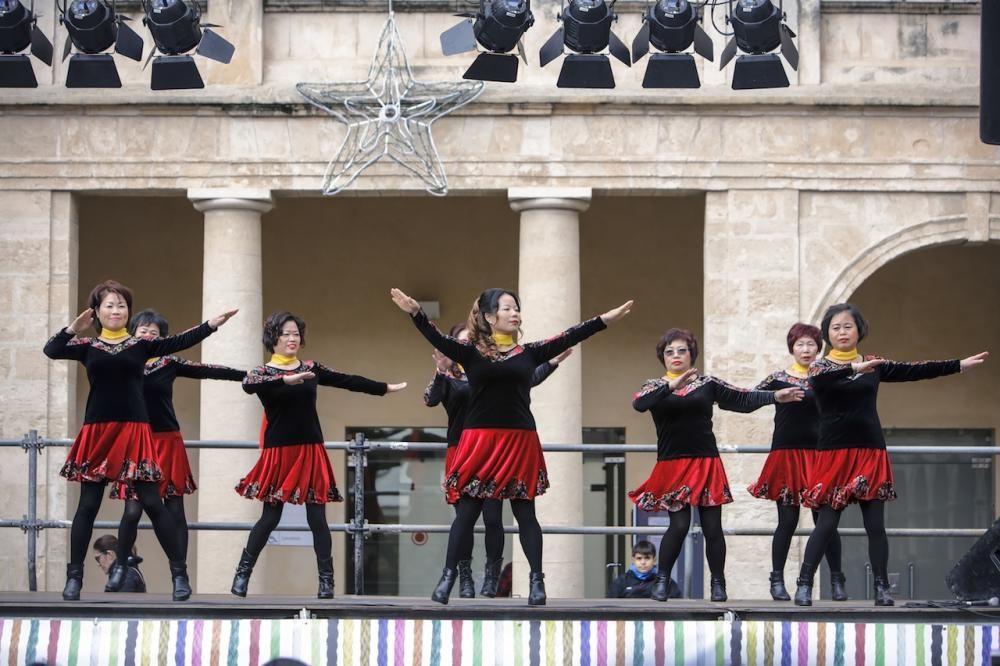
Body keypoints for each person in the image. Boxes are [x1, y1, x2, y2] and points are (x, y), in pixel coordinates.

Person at [392, 287, 633, 605]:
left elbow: (572, 334)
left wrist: (605, 319)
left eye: (516, 307)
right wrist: (416, 312)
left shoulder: (530, 353)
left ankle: (537, 582)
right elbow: (436, 338)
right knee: (465, 514)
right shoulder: (470, 352)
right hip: (479, 441)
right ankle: (448, 578)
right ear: (490, 317)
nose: (515, 312)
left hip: (519, 441)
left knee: (526, 514)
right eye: (507, 308)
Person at [43, 279, 237, 601]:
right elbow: (51, 351)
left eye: (121, 305)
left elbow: (180, 340)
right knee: (87, 506)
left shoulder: (141, 345)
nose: (116, 310)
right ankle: (74, 578)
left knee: (152, 503)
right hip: (97, 431)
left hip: (135, 431)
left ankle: (179, 575)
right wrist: (72, 328)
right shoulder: (87, 347)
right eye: (110, 305)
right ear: (97, 311)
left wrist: (211, 325)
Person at [795, 303, 989, 607]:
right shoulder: (821, 366)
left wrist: (958, 364)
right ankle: (804, 584)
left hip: (870, 452)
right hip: (834, 454)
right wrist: (853, 369)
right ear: (827, 333)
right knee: (827, 523)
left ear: (859, 330)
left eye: (848, 326)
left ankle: (882, 588)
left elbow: (915, 369)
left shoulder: (875, 363)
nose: (842, 332)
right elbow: (818, 382)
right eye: (836, 327)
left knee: (875, 526)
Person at [232, 311, 406, 599]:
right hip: (279, 452)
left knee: (317, 519)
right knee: (269, 517)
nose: (292, 338)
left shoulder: (311, 368)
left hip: (310, 449)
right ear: (273, 338)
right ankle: (242, 575)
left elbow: (346, 380)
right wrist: (284, 382)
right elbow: (249, 385)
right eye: (286, 333)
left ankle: (327, 582)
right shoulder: (263, 372)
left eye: (296, 334)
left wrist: (383, 389)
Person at [629, 328, 803, 603]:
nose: (676, 356)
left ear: (692, 354)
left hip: (706, 462)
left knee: (712, 528)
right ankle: (661, 580)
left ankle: (718, 584)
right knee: (679, 525)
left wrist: (774, 397)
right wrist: (671, 386)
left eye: (682, 350)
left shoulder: (707, 383)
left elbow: (742, 399)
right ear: (662, 357)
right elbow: (639, 404)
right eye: (669, 352)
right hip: (672, 465)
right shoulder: (654, 386)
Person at [423, 322, 570, 598]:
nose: (470, 345)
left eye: (472, 341)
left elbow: (527, 378)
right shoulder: (451, 377)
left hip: (496, 446)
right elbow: (430, 400)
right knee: (464, 517)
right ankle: (462, 579)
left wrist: (551, 362)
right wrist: (441, 371)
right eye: (463, 343)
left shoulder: (490, 369)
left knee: (493, 517)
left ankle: (492, 579)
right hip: (462, 451)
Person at [108, 309, 246, 592]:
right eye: (143, 330)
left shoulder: (169, 362)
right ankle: (120, 566)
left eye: (154, 333)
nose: (147, 335)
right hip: (136, 443)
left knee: (175, 512)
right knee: (132, 512)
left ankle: (179, 576)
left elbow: (209, 370)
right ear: (133, 334)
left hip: (167, 442)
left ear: (163, 339)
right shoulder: (123, 361)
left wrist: (250, 375)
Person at [746, 323, 846, 601]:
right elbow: (749, 398)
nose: (806, 349)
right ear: (792, 348)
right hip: (787, 455)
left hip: (821, 456)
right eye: (800, 344)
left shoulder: (826, 377)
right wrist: (773, 396)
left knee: (825, 520)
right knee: (787, 521)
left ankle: (837, 579)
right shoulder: (778, 378)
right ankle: (776, 580)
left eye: (811, 344)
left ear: (819, 347)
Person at [606, 540, 681, 599]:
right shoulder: (621, 582)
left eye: (647, 558)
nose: (643, 562)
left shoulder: (666, 583)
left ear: (654, 560)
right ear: (633, 560)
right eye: (639, 558)